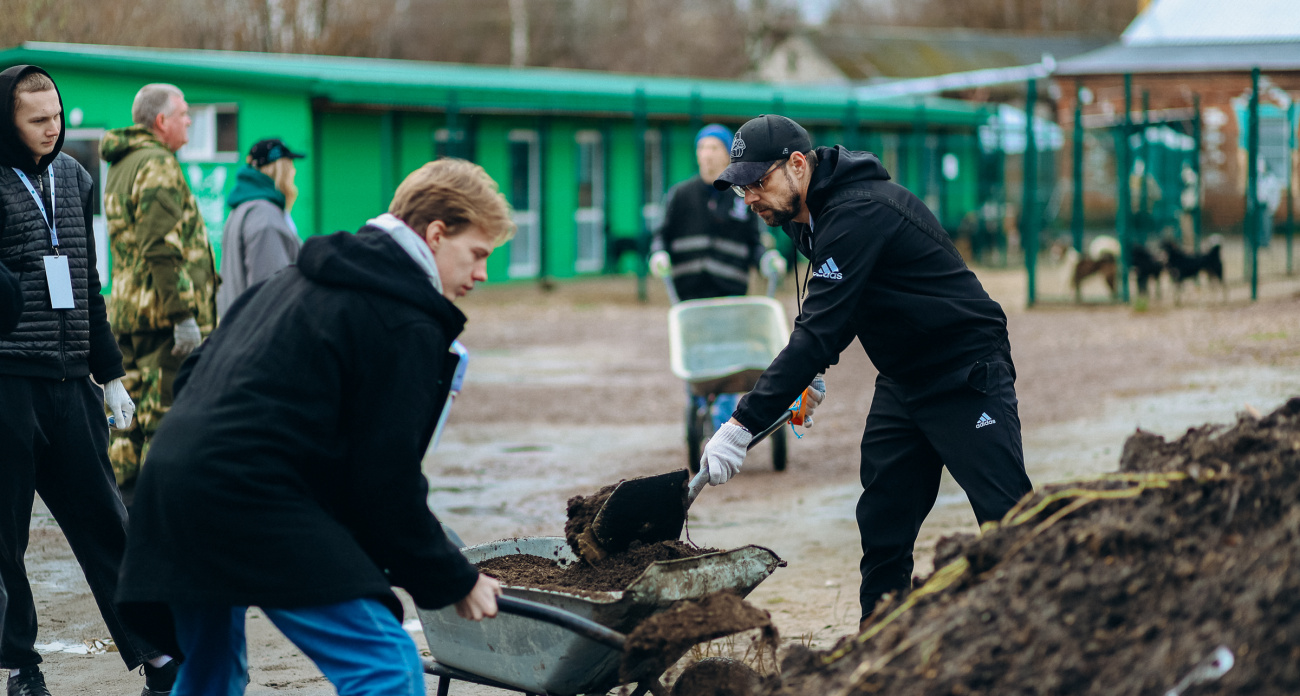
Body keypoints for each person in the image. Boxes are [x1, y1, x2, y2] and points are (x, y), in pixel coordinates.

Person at [115, 158, 512, 696]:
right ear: (437, 234)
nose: (483, 273)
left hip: (175, 483)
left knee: (211, 671)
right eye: (479, 254)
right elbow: (384, 481)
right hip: (250, 495)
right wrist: (453, 579)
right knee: (386, 666)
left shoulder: (295, 278)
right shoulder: (402, 318)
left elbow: (195, 375)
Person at [702, 114, 1034, 629]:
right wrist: (811, 374)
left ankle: (1047, 638)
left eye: (757, 182)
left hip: (964, 370)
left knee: (1007, 516)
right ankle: (876, 652)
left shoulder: (859, 212)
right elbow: (843, 306)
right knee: (882, 525)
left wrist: (740, 427)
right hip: (903, 379)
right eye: (741, 187)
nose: (749, 198)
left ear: (796, 165)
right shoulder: (801, 216)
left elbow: (818, 331)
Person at [0, 65, 177, 696]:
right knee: (5, 543)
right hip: (9, 382)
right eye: (36, 120)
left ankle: (158, 653)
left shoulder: (75, 177)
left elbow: (86, 284)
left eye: (57, 116)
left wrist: (112, 375)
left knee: (110, 523)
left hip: (72, 380)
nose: (52, 130)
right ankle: (22, 667)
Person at [101, 83, 217, 488]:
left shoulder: (122, 163)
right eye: (184, 113)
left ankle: (124, 522)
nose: (189, 121)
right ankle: (159, 520)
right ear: (162, 121)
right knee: (164, 423)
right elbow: (161, 246)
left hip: (131, 313)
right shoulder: (158, 164)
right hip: (162, 321)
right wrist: (183, 315)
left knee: (126, 424)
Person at [648, 123, 787, 429]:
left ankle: (725, 420)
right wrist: (658, 254)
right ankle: (700, 410)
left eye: (714, 148)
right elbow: (661, 235)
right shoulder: (680, 196)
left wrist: (767, 258)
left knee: (728, 361)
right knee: (697, 361)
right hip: (691, 300)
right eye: (702, 148)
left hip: (730, 298)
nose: (707, 155)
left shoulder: (742, 197)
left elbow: (755, 242)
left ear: (727, 156)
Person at [215, 138, 305, 319]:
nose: (294, 172)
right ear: (279, 169)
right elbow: (272, 294)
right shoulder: (265, 216)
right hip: (261, 337)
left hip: (238, 331)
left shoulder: (241, 209)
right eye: (290, 166)